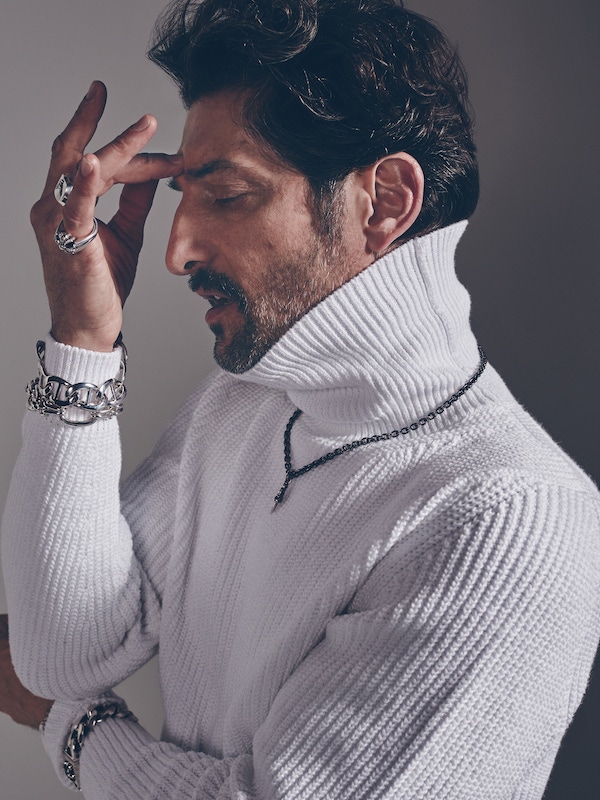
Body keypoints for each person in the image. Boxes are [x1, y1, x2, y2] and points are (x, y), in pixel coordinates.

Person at [1, 0, 599, 797]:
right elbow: (61, 653)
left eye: (228, 195)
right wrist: (81, 340)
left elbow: (50, 690)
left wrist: (72, 729)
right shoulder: (243, 405)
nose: (176, 252)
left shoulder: (512, 517)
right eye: (184, 196)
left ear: (384, 202)